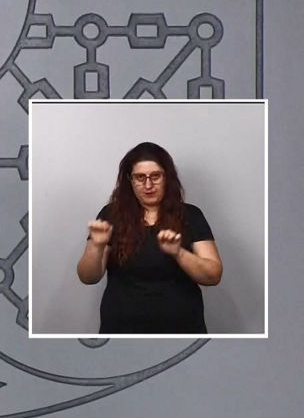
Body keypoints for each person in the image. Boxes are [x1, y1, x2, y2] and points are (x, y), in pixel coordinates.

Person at [75, 141, 222, 333]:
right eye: (139, 177)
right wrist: (96, 246)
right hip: (122, 330)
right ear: (129, 180)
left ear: (167, 177)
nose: (148, 185)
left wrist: (179, 253)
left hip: (181, 329)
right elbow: (87, 277)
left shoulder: (191, 215)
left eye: (155, 176)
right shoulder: (111, 215)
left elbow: (213, 275)